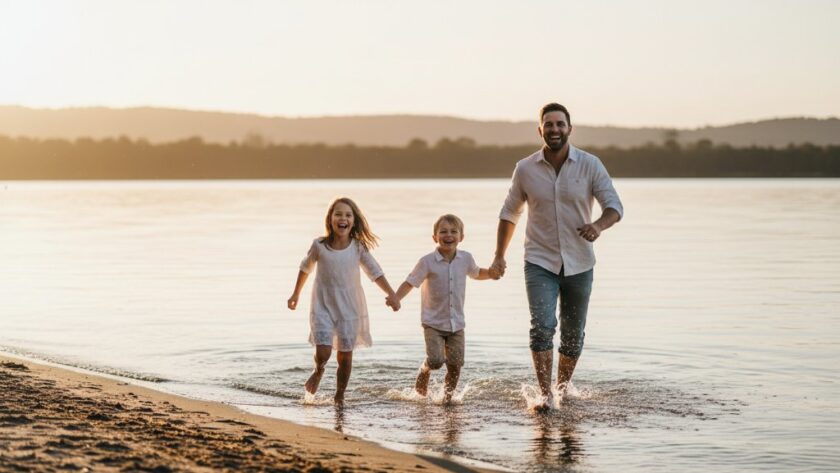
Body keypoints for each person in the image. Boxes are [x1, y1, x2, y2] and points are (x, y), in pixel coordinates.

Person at [490, 103, 624, 410]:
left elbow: (614, 207)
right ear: (540, 130)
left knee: (573, 333)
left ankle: (562, 389)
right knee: (542, 325)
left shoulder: (590, 165)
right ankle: (545, 395)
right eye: (548, 125)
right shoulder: (525, 168)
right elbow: (509, 213)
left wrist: (598, 226)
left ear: (569, 129)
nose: (554, 130)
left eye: (560, 124)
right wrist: (499, 256)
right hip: (539, 260)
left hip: (580, 262)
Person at [287, 197, 399, 404]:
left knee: (345, 357)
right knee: (323, 351)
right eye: (338, 214)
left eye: (348, 215)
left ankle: (339, 395)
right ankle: (319, 370)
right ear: (330, 219)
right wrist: (296, 294)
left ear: (354, 221)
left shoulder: (358, 247)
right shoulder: (319, 245)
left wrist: (392, 294)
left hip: (349, 309)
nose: (343, 218)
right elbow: (305, 268)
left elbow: (375, 272)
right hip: (322, 305)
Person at [391, 214, 495, 403]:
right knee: (436, 361)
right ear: (434, 237)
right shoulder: (427, 262)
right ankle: (424, 369)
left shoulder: (466, 258)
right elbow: (410, 282)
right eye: (443, 232)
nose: (449, 235)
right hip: (433, 323)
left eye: (453, 232)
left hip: (457, 324)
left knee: (455, 365)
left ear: (461, 237)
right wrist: (397, 298)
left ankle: (447, 399)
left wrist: (492, 273)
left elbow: (477, 273)